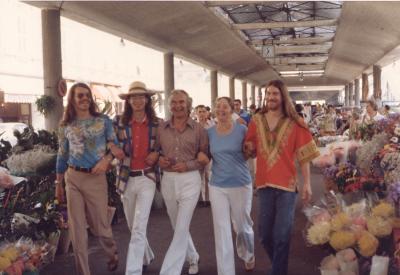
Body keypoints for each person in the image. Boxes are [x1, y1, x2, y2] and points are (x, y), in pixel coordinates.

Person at [244, 80, 319, 275]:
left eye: (275, 94)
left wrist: (307, 184)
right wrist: (248, 147)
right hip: (264, 184)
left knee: (282, 236)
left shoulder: (295, 122)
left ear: (283, 96)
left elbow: (304, 156)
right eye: (268, 93)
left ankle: (278, 271)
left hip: (287, 186)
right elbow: (250, 147)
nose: (270, 97)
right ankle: (278, 267)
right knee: (264, 236)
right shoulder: (256, 120)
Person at [55, 82, 124, 275]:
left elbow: (115, 147)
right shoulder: (65, 124)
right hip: (73, 178)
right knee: (77, 231)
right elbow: (62, 154)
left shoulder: (103, 121)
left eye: (87, 95)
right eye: (80, 96)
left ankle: (112, 253)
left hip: (95, 178)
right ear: (73, 100)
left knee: (101, 227)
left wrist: (106, 161)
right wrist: (58, 183)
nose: (85, 99)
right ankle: (83, 272)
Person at [157, 89, 209, 275]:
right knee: (177, 225)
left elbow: (205, 157)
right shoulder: (161, 128)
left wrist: (188, 165)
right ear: (169, 105)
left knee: (181, 225)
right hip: (168, 180)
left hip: (190, 180)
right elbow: (156, 153)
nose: (177, 106)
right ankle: (193, 257)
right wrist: (159, 160)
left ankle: (170, 270)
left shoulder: (199, 129)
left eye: (181, 102)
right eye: (174, 102)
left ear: (188, 104)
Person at [115, 81, 161, 275]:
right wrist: (112, 147)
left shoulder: (157, 124)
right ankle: (146, 255)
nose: (137, 100)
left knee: (140, 225)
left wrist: (157, 154)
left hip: (147, 178)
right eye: (133, 97)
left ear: (147, 100)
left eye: (141, 96)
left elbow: (163, 146)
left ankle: (133, 270)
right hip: (126, 178)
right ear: (128, 101)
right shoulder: (118, 123)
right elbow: (108, 140)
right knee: (133, 225)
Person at [208, 97, 255, 275]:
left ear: (232, 109)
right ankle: (226, 271)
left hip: (240, 183)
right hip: (217, 185)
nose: (221, 109)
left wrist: (250, 151)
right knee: (221, 229)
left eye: (224, 106)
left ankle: (248, 254)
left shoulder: (242, 129)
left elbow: (250, 152)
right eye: (218, 106)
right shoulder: (210, 132)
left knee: (242, 226)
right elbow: (205, 154)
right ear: (214, 110)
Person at [195, 104, 214, 207]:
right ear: (196, 113)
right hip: (197, 156)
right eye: (199, 112)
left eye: (203, 111)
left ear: (207, 113)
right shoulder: (194, 126)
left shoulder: (212, 125)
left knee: (208, 176)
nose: (201, 114)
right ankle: (201, 199)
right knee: (198, 178)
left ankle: (208, 199)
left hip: (209, 155)